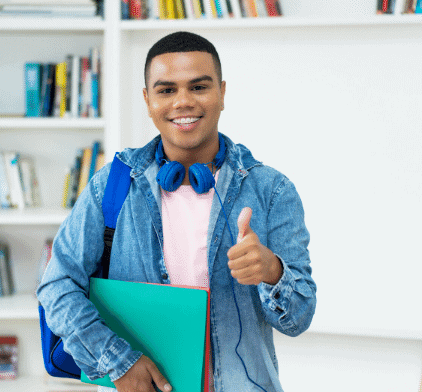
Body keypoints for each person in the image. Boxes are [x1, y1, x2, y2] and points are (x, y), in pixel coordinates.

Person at [37, 31, 317, 392]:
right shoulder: (112, 184)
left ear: (222, 93)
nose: (182, 102)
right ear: (147, 99)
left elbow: (299, 317)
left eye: (199, 87)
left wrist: (272, 271)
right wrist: (119, 362)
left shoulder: (272, 190)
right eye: (166, 90)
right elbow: (57, 285)